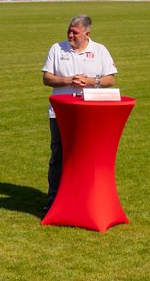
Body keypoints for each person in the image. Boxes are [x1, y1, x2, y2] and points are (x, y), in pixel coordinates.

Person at [39, 14, 118, 209]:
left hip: (89, 114)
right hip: (59, 113)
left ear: (87, 33)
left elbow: (111, 80)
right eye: (69, 31)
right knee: (58, 155)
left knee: (86, 157)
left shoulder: (99, 50)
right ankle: (53, 201)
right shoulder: (57, 49)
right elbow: (46, 78)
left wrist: (90, 81)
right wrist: (67, 80)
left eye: (74, 32)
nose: (70, 35)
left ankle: (85, 200)